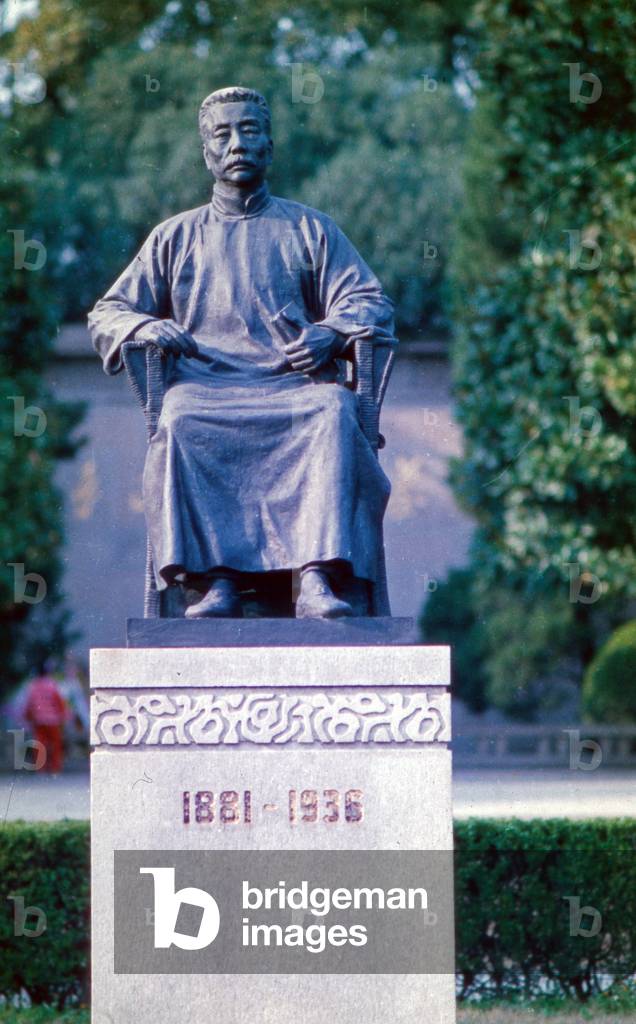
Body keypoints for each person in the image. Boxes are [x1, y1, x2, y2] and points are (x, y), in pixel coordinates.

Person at [88, 86, 396, 619]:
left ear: (269, 145)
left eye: (249, 130)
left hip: (293, 388)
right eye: (222, 133)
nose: (236, 144)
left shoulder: (311, 229)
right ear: (206, 151)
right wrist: (146, 325)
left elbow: (370, 301)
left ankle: (316, 577)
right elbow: (107, 312)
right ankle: (216, 581)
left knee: (333, 409)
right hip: (207, 390)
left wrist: (331, 331)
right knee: (179, 418)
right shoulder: (174, 236)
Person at [23, 665, 69, 774]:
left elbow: (29, 704)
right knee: (56, 744)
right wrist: (64, 715)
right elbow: (59, 702)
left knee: (40, 743)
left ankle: (40, 767)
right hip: (53, 720)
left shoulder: (33, 686)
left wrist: (28, 716)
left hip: (38, 720)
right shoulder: (52, 685)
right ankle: (55, 767)